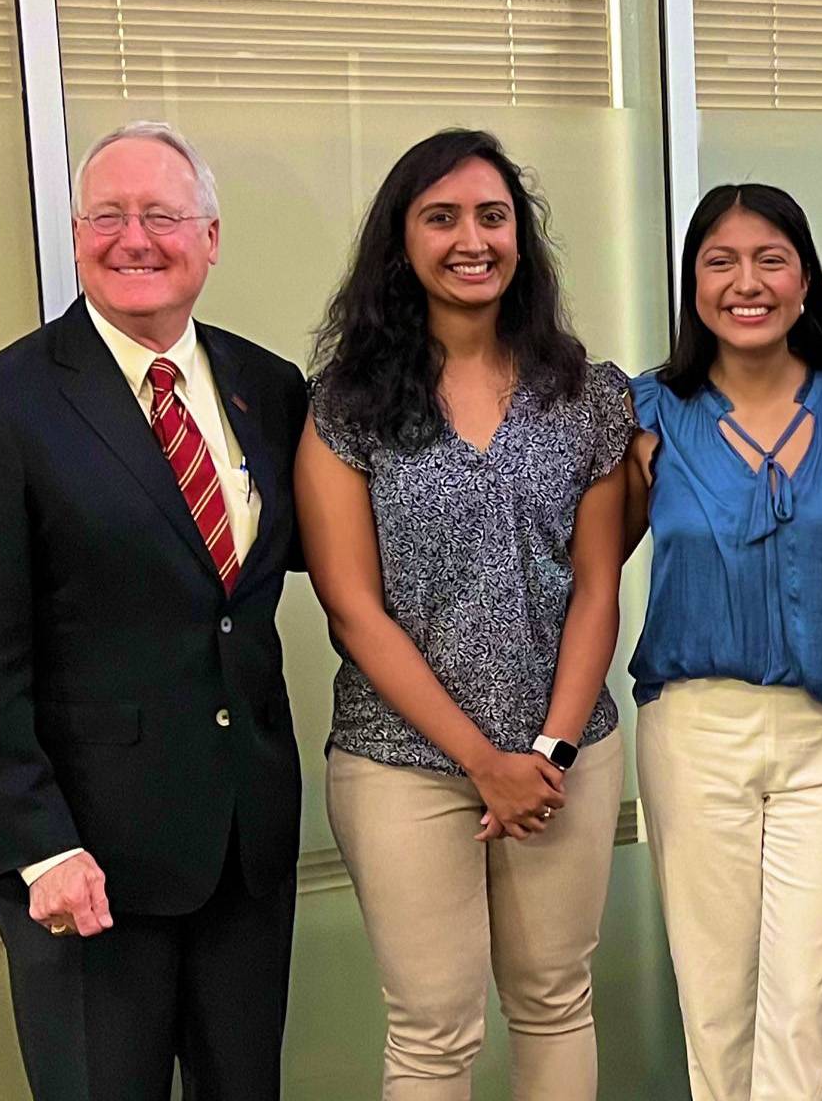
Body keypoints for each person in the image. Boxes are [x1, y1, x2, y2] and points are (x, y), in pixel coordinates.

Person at [0, 120, 309, 1098]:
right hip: (88, 864)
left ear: (211, 237)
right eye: (108, 216)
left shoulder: (269, 387)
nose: (134, 238)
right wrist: (38, 845)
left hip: (243, 850)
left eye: (163, 216)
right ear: (77, 231)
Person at [296, 129, 634, 1100]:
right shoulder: (345, 407)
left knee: (554, 998)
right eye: (439, 218)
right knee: (434, 1031)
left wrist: (550, 753)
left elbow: (597, 587)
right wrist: (484, 763)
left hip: (561, 756)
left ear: (519, 239)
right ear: (401, 243)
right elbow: (352, 610)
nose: (469, 239)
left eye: (491, 216)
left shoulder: (584, 393)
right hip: (402, 764)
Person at [622, 183, 822, 1101]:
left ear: (807, 278)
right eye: (721, 261)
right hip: (696, 732)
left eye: (771, 259)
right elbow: (581, 564)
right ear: (693, 283)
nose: (748, 283)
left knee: (806, 1003)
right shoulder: (648, 412)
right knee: (715, 1004)